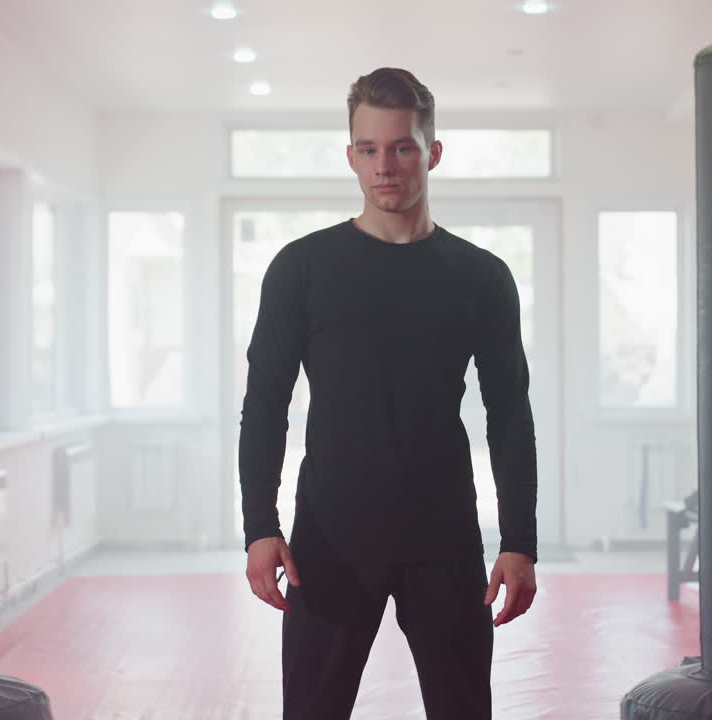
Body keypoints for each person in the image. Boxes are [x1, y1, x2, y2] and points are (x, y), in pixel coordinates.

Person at [239, 67, 539, 720]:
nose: (385, 166)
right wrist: (259, 527)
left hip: (446, 538)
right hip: (330, 539)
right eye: (369, 149)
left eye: (402, 147)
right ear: (351, 155)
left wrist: (521, 539)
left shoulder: (482, 278)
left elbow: (510, 415)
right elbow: (264, 404)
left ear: (431, 152)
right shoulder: (302, 268)